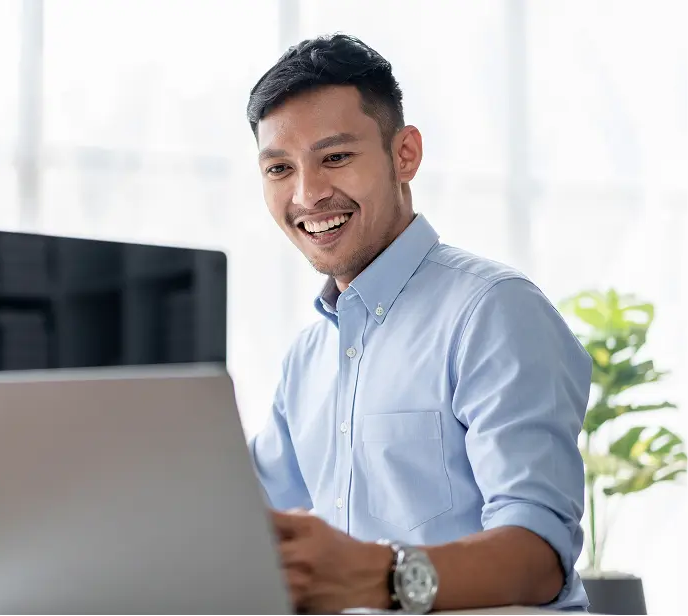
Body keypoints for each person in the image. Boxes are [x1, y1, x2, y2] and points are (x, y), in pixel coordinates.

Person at [246, 34, 591, 613]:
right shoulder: (307, 357)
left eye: (335, 157)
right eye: (280, 168)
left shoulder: (494, 310)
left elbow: (538, 558)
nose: (308, 194)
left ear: (404, 154)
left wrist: (378, 578)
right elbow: (242, 520)